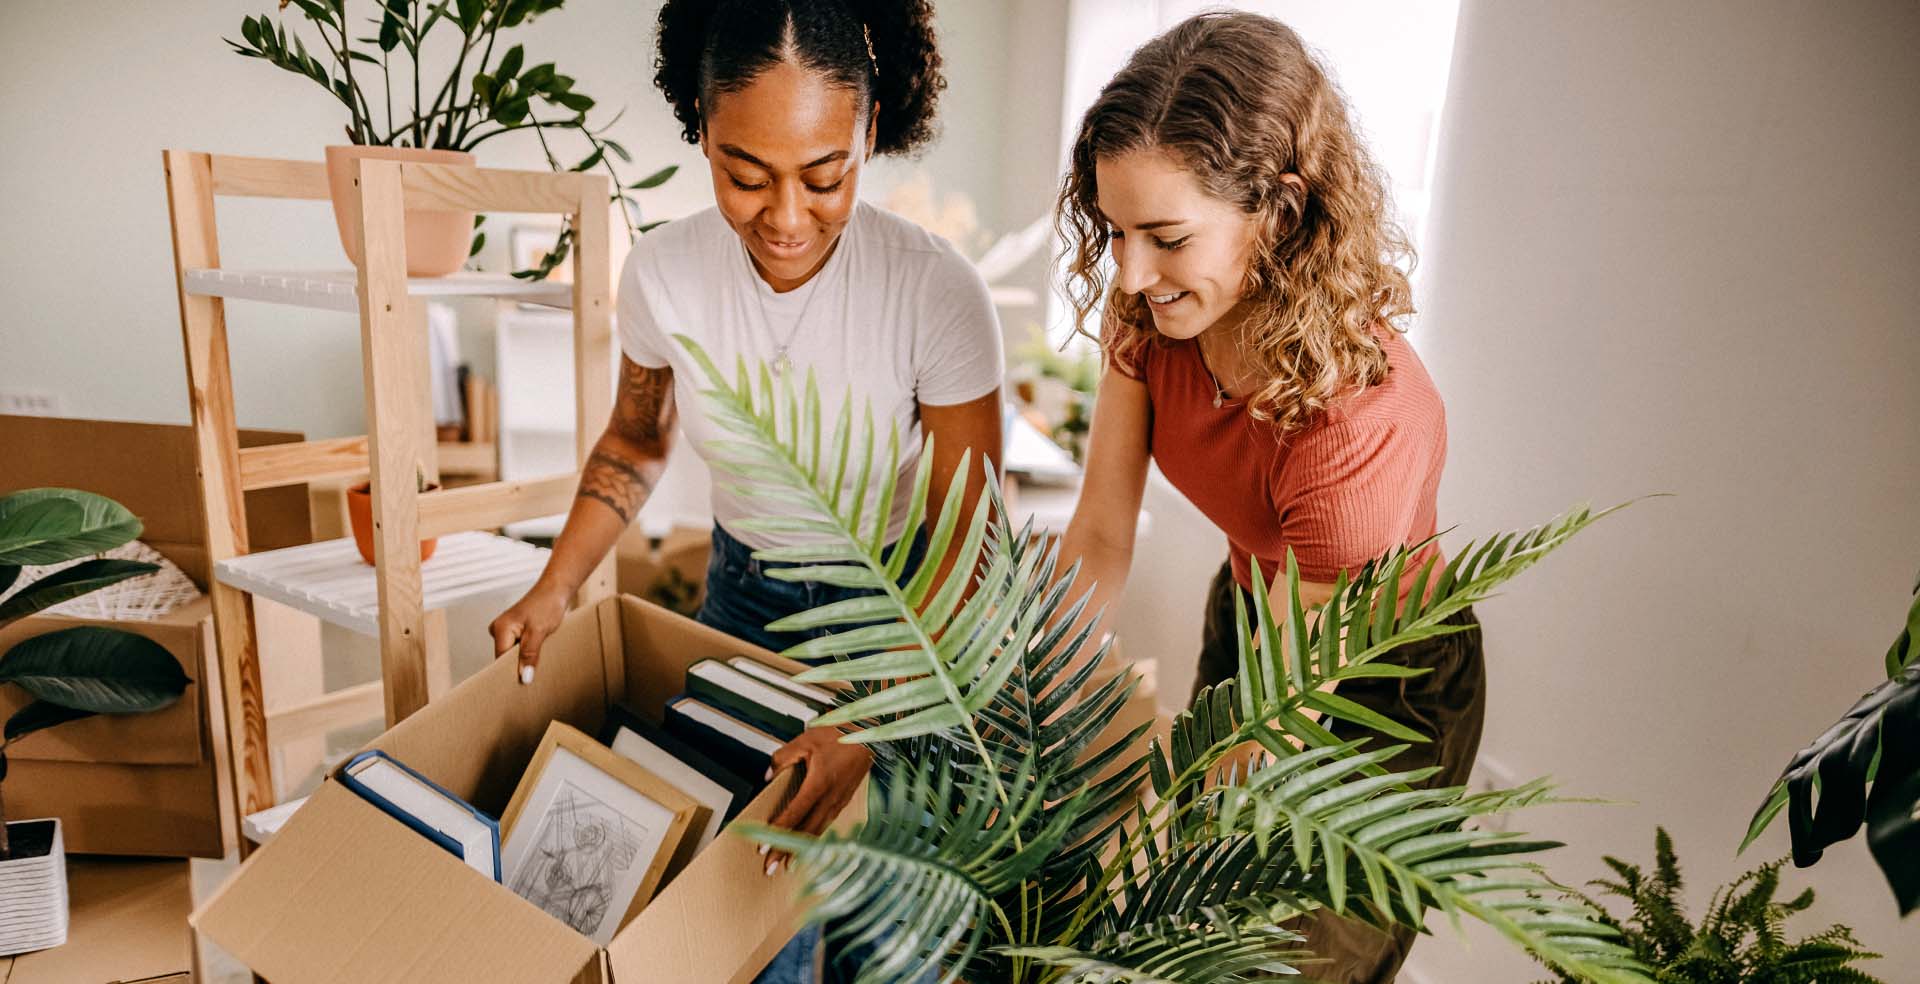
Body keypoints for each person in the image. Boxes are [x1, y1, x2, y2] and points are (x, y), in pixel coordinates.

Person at [488, 1, 1002, 980]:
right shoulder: (666, 274)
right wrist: (555, 584)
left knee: (885, 943)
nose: (786, 218)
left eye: (826, 176)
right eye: (744, 174)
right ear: (699, 120)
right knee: (743, 923)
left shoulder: (935, 292)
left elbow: (966, 548)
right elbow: (638, 440)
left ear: (871, 125)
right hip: (743, 606)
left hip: (907, 623)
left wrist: (870, 715)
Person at [1053, 12, 1483, 982]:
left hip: (1385, 682)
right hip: (1252, 608)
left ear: (1280, 212)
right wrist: (1036, 705)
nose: (1129, 275)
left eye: (1165, 237)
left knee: (1275, 960)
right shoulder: (1147, 318)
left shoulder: (1359, 421)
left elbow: (1269, 728)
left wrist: (1117, 887)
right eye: (1115, 232)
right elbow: (1101, 535)